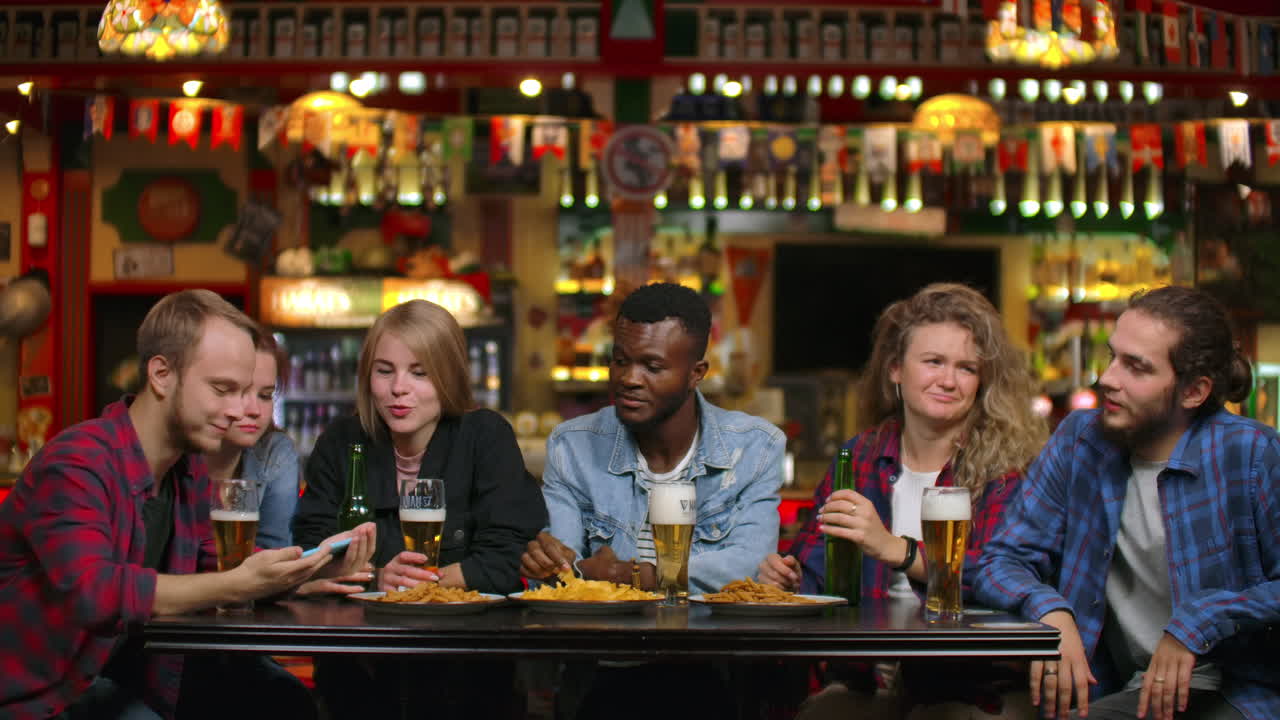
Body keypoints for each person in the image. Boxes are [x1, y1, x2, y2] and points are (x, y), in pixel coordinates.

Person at [0, 289, 361, 720]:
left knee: (283, 700)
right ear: (161, 374)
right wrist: (236, 585)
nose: (239, 410)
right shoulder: (78, 461)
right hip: (40, 694)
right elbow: (96, 592)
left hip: (129, 670)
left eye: (249, 392)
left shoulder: (184, 469)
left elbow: (215, 565)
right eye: (223, 389)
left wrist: (312, 569)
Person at [975, 285, 1280, 720]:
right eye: (1113, 356)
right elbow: (1001, 559)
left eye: (1136, 367)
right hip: (1122, 688)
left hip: (1238, 689)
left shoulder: (1251, 453)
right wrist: (1050, 609)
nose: (1108, 378)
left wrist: (1201, 619)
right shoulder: (1080, 440)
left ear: (1193, 392)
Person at [760, 283, 1047, 719]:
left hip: (973, 684)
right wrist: (788, 579)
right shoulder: (860, 456)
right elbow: (819, 574)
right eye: (933, 362)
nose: (948, 380)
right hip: (868, 679)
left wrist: (898, 550)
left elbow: (1007, 578)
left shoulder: (1008, 468)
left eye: (966, 368)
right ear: (895, 369)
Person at [520, 282, 786, 720]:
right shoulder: (573, 445)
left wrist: (634, 575)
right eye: (620, 360)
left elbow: (751, 566)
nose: (629, 378)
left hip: (710, 671)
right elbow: (563, 571)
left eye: (652, 366)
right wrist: (554, 566)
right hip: (601, 673)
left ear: (696, 373)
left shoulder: (755, 447)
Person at [293, 298, 546, 719]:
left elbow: (508, 559)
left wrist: (410, 587)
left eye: (420, 372)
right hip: (357, 680)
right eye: (384, 371)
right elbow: (310, 552)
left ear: (449, 376)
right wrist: (379, 577)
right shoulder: (341, 441)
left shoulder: (485, 436)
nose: (399, 388)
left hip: (470, 680)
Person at [180, 329, 372, 720]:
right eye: (239, 391)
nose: (253, 409)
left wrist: (297, 576)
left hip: (235, 647)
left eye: (266, 395)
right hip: (167, 641)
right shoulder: (176, 450)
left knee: (292, 702)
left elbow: (270, 557)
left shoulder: (273, 452)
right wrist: (294, 582)